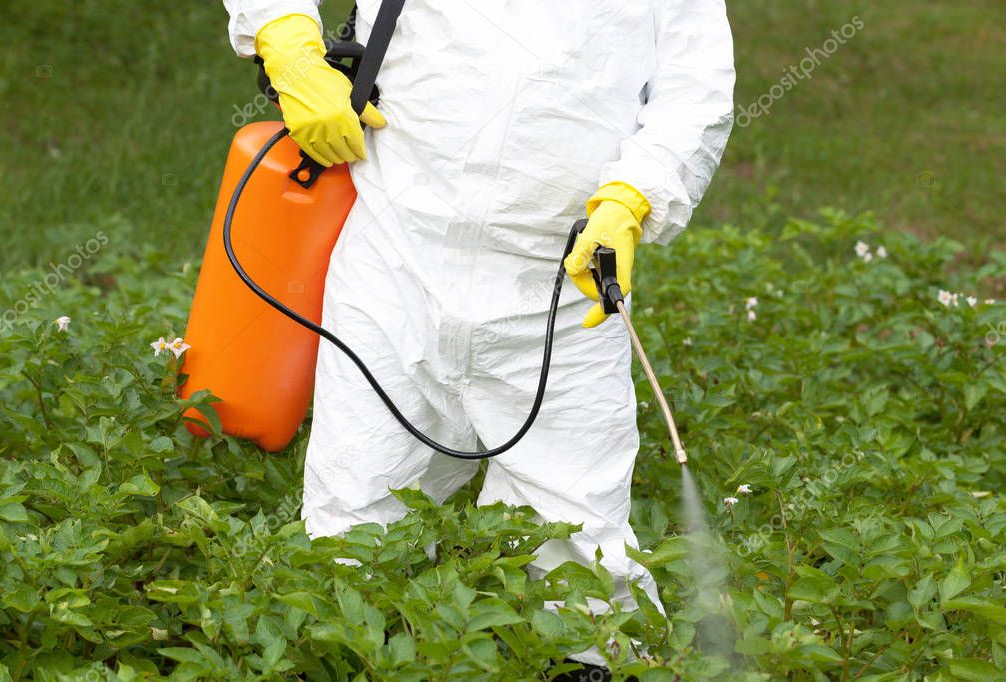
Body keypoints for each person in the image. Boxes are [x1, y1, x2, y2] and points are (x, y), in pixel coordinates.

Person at [225, 0, 734, 670]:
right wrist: (285, 37)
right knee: (351, 535)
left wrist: (632, 197)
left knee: (580, 559)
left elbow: (694, 89)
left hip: (557, 293)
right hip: (394, 261)